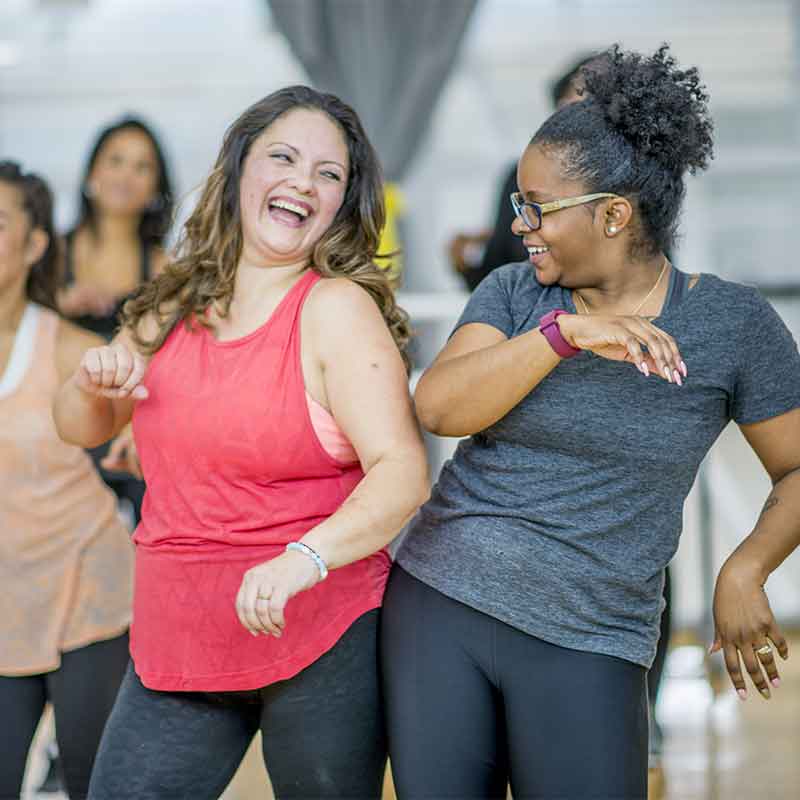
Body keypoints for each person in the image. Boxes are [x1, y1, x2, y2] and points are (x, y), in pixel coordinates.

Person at [382, 44, 800, 799]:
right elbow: (439, 406)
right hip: (442, 603)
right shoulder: (516, 293)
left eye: (537, 206)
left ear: (614, 214)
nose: (522, 223)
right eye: (520, 202)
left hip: (594, 635)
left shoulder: (733, 325)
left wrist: (747, 567)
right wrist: (560, 336)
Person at [54, 85, 428, 800]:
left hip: (318, 633)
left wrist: (304, 559)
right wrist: (89, 380)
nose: (302, 182)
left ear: (343, 203)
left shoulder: (335, 309)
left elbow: (402, 471)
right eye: (282, 157)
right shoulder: (174, 302)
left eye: (328, 173)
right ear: (238, 172)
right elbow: (82, 427)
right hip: (178, 637)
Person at [0, 161, 133, 800]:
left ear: (33, 245)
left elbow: (152, 427)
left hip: (86, 590)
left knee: (93, 783)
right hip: (5, 600)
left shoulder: (67, 350)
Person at [57, 115, 174, 523]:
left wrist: (132, 428)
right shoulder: (49, 256)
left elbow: (170, 365)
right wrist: (56, 304)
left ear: (156, 187)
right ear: (93, 172)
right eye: (117, 160)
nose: (126, 175)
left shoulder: (165, 268)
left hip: (130, 427)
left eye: (142, 167)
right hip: (58, 424)